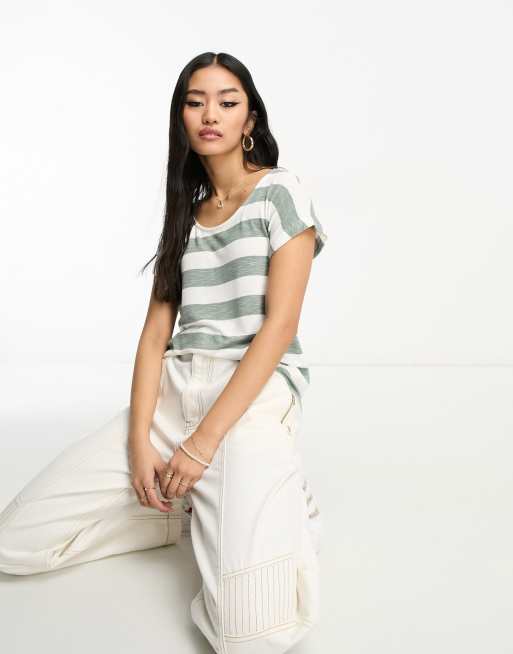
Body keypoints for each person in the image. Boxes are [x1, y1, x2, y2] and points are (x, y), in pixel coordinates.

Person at [0, 51, 328, 654]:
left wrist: (201, 447)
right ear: (181, 118)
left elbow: (279, 327)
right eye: (195, 102)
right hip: (177, 391)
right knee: (12, 542)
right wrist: (138, 447)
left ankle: (276, 498)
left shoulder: (280, 193)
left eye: (227, 102)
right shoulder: (187, 215)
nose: (211, 114)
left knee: (247, 636)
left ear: (250, 119)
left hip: (250, 395)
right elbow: (155, 337)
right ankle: (179, 513)